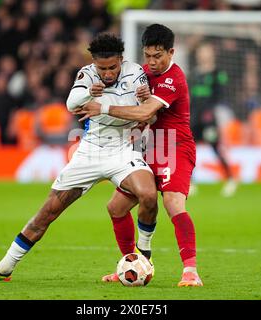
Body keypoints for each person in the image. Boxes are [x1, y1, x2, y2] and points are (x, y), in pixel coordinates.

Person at [0, 33, 159, 282]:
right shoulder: (88, 74)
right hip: (89, 153)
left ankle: (144, 256)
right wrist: (90, 92)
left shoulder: (135, 73)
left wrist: (143, 99)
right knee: (47, 214)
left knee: (149, 195)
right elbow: (71, 103)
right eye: (103, 68)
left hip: (122, 149)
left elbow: (149, 116)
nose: (108, 73)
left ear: (121, 60)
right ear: (94, 63)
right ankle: (3, 268)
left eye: (112, 67)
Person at [77, 24, 203, 287]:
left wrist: (103, 107)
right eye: (147, 56)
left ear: (171, 52)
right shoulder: (141, 74)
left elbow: (146, 113)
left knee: (173, 204)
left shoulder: (174, 78)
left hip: (174, 147)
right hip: (147, 148)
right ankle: (134, 263)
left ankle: (190, 271)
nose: (152, 62)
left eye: (158, 56)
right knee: (115, 207)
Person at [189, 42, 237, 197]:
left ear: (211, 54)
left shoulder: (218, 73)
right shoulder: (193, 73)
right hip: (194, 117)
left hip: (209, 117)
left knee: (215, 147)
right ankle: (190, 183)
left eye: (206, 51)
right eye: (201, 51)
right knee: (188, 149)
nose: (203, 54)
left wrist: (212, 112)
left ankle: (230, 179)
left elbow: (220, 96)